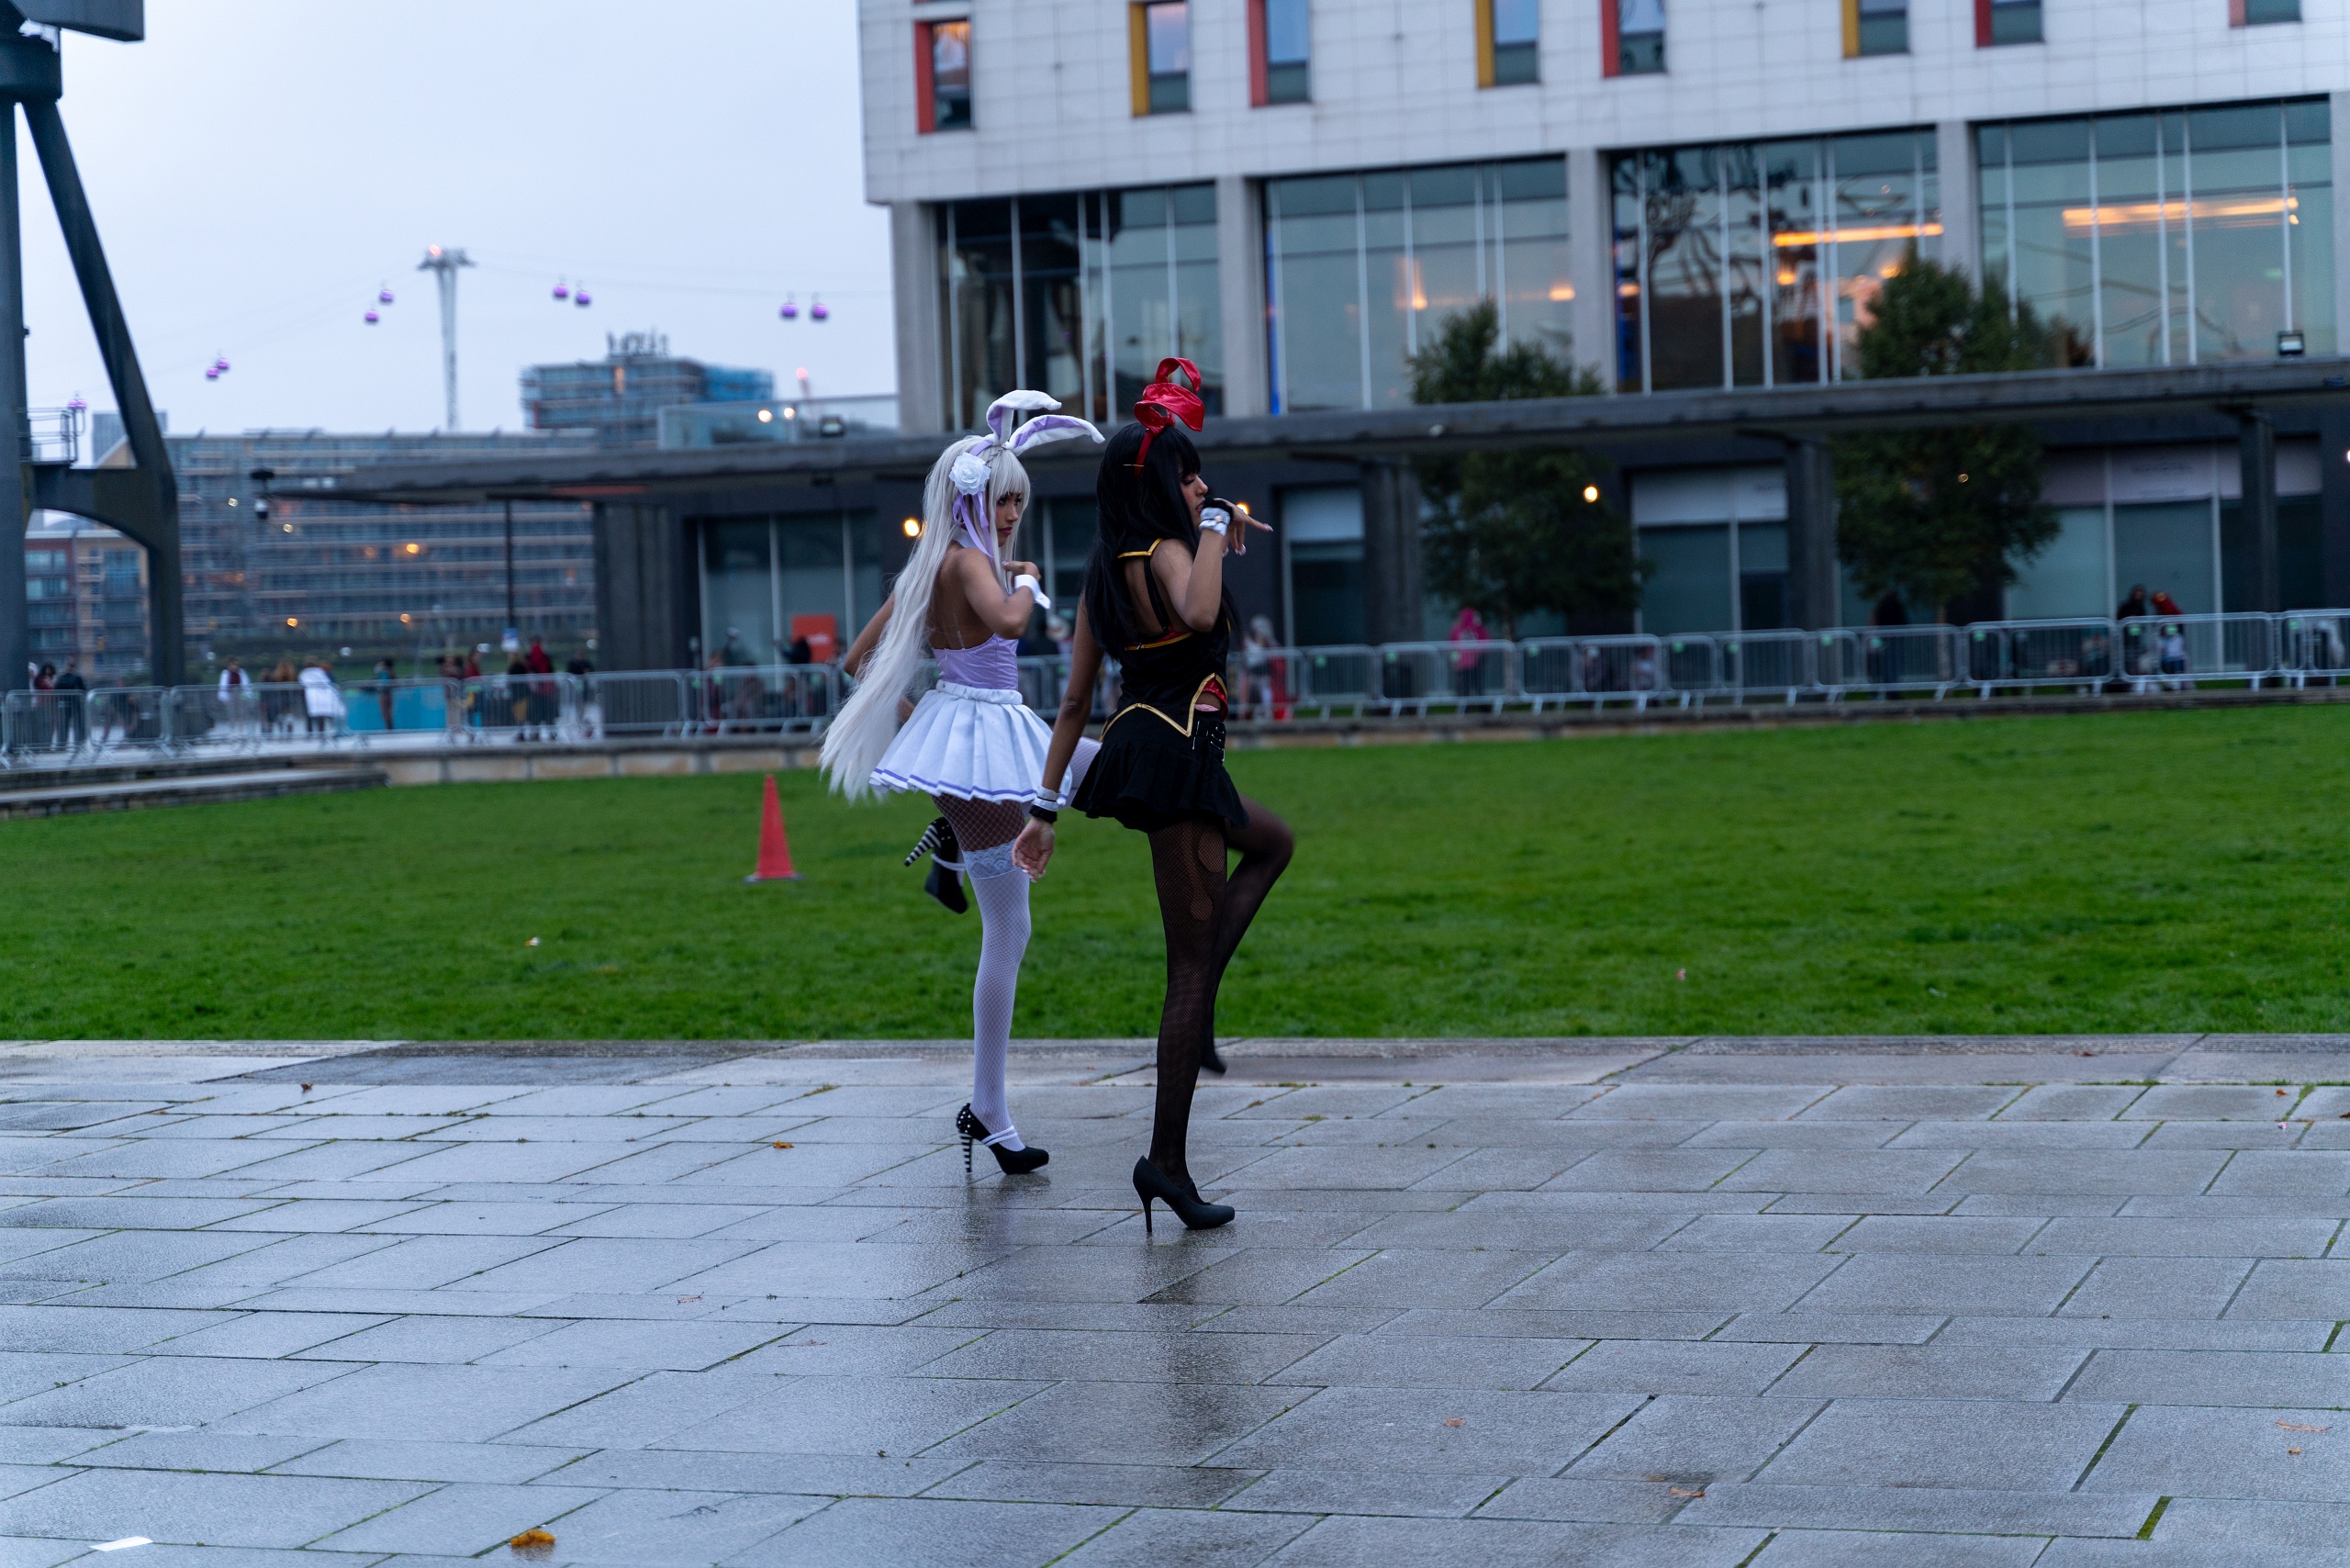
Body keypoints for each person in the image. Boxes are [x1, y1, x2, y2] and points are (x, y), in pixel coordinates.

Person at [1014, 359, 1292, 1235]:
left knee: (1272, 843)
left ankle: (1200, 1016)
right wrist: (1210, 531)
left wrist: (1045, 808)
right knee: (1185, 970)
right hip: (1176, 759)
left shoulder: (1103, 568)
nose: (1204, 486)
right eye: (1189, 475)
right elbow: (1201, 614)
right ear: (1160, 487)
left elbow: (1073, 702)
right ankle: (1164, 1161)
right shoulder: (1170, 550)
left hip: (1157, 750)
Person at [822, 388, 1106, 1178]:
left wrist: (921, 721)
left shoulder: (932, 567)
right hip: (987, 741)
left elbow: (856, 663)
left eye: (1018, 501)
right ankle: (988, 1109)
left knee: (1111, 772)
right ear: (968, 499)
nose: (1011, 513)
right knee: (1008, 930)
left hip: (987, 736)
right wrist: (1030, 581)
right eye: (1000, 499)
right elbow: (1010, 623)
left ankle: (950, 835)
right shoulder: (972, 564)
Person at [1449, 605, 1490, 700]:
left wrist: (1479, 654)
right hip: (1462, 664)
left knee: (1477, 684)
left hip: (1476, 662)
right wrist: (1454, 661)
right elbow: (1452, 646)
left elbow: (1485, 641)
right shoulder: (1457, 629)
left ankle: (1481, 704)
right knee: (1464, 686)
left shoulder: (1478, 628)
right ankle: (1466, 705)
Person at [298, 658, 342, 738]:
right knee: (327, 716)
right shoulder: (321, 673)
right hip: (325, 698)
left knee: (317, 717)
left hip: (312, 699)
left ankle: (314, 733)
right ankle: (325, 732)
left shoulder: (304, 674)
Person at [374, 656, 397, 733]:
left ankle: (389, 728)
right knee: (385, 712)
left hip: (385, 693)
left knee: (386, 711)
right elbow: (376, 671)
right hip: (385, 693)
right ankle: (388, 727)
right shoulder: (386, 672)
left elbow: (386, 683)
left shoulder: (387, 673)